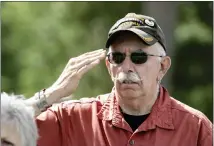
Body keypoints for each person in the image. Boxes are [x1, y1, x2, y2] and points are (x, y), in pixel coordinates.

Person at [24, 13, 212, 146]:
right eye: (118, 58)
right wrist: (51, 94)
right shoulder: (72, 119)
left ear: (163, 66)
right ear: (109, 66)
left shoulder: (195, 128)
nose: (127, 67)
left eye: (139, 57)